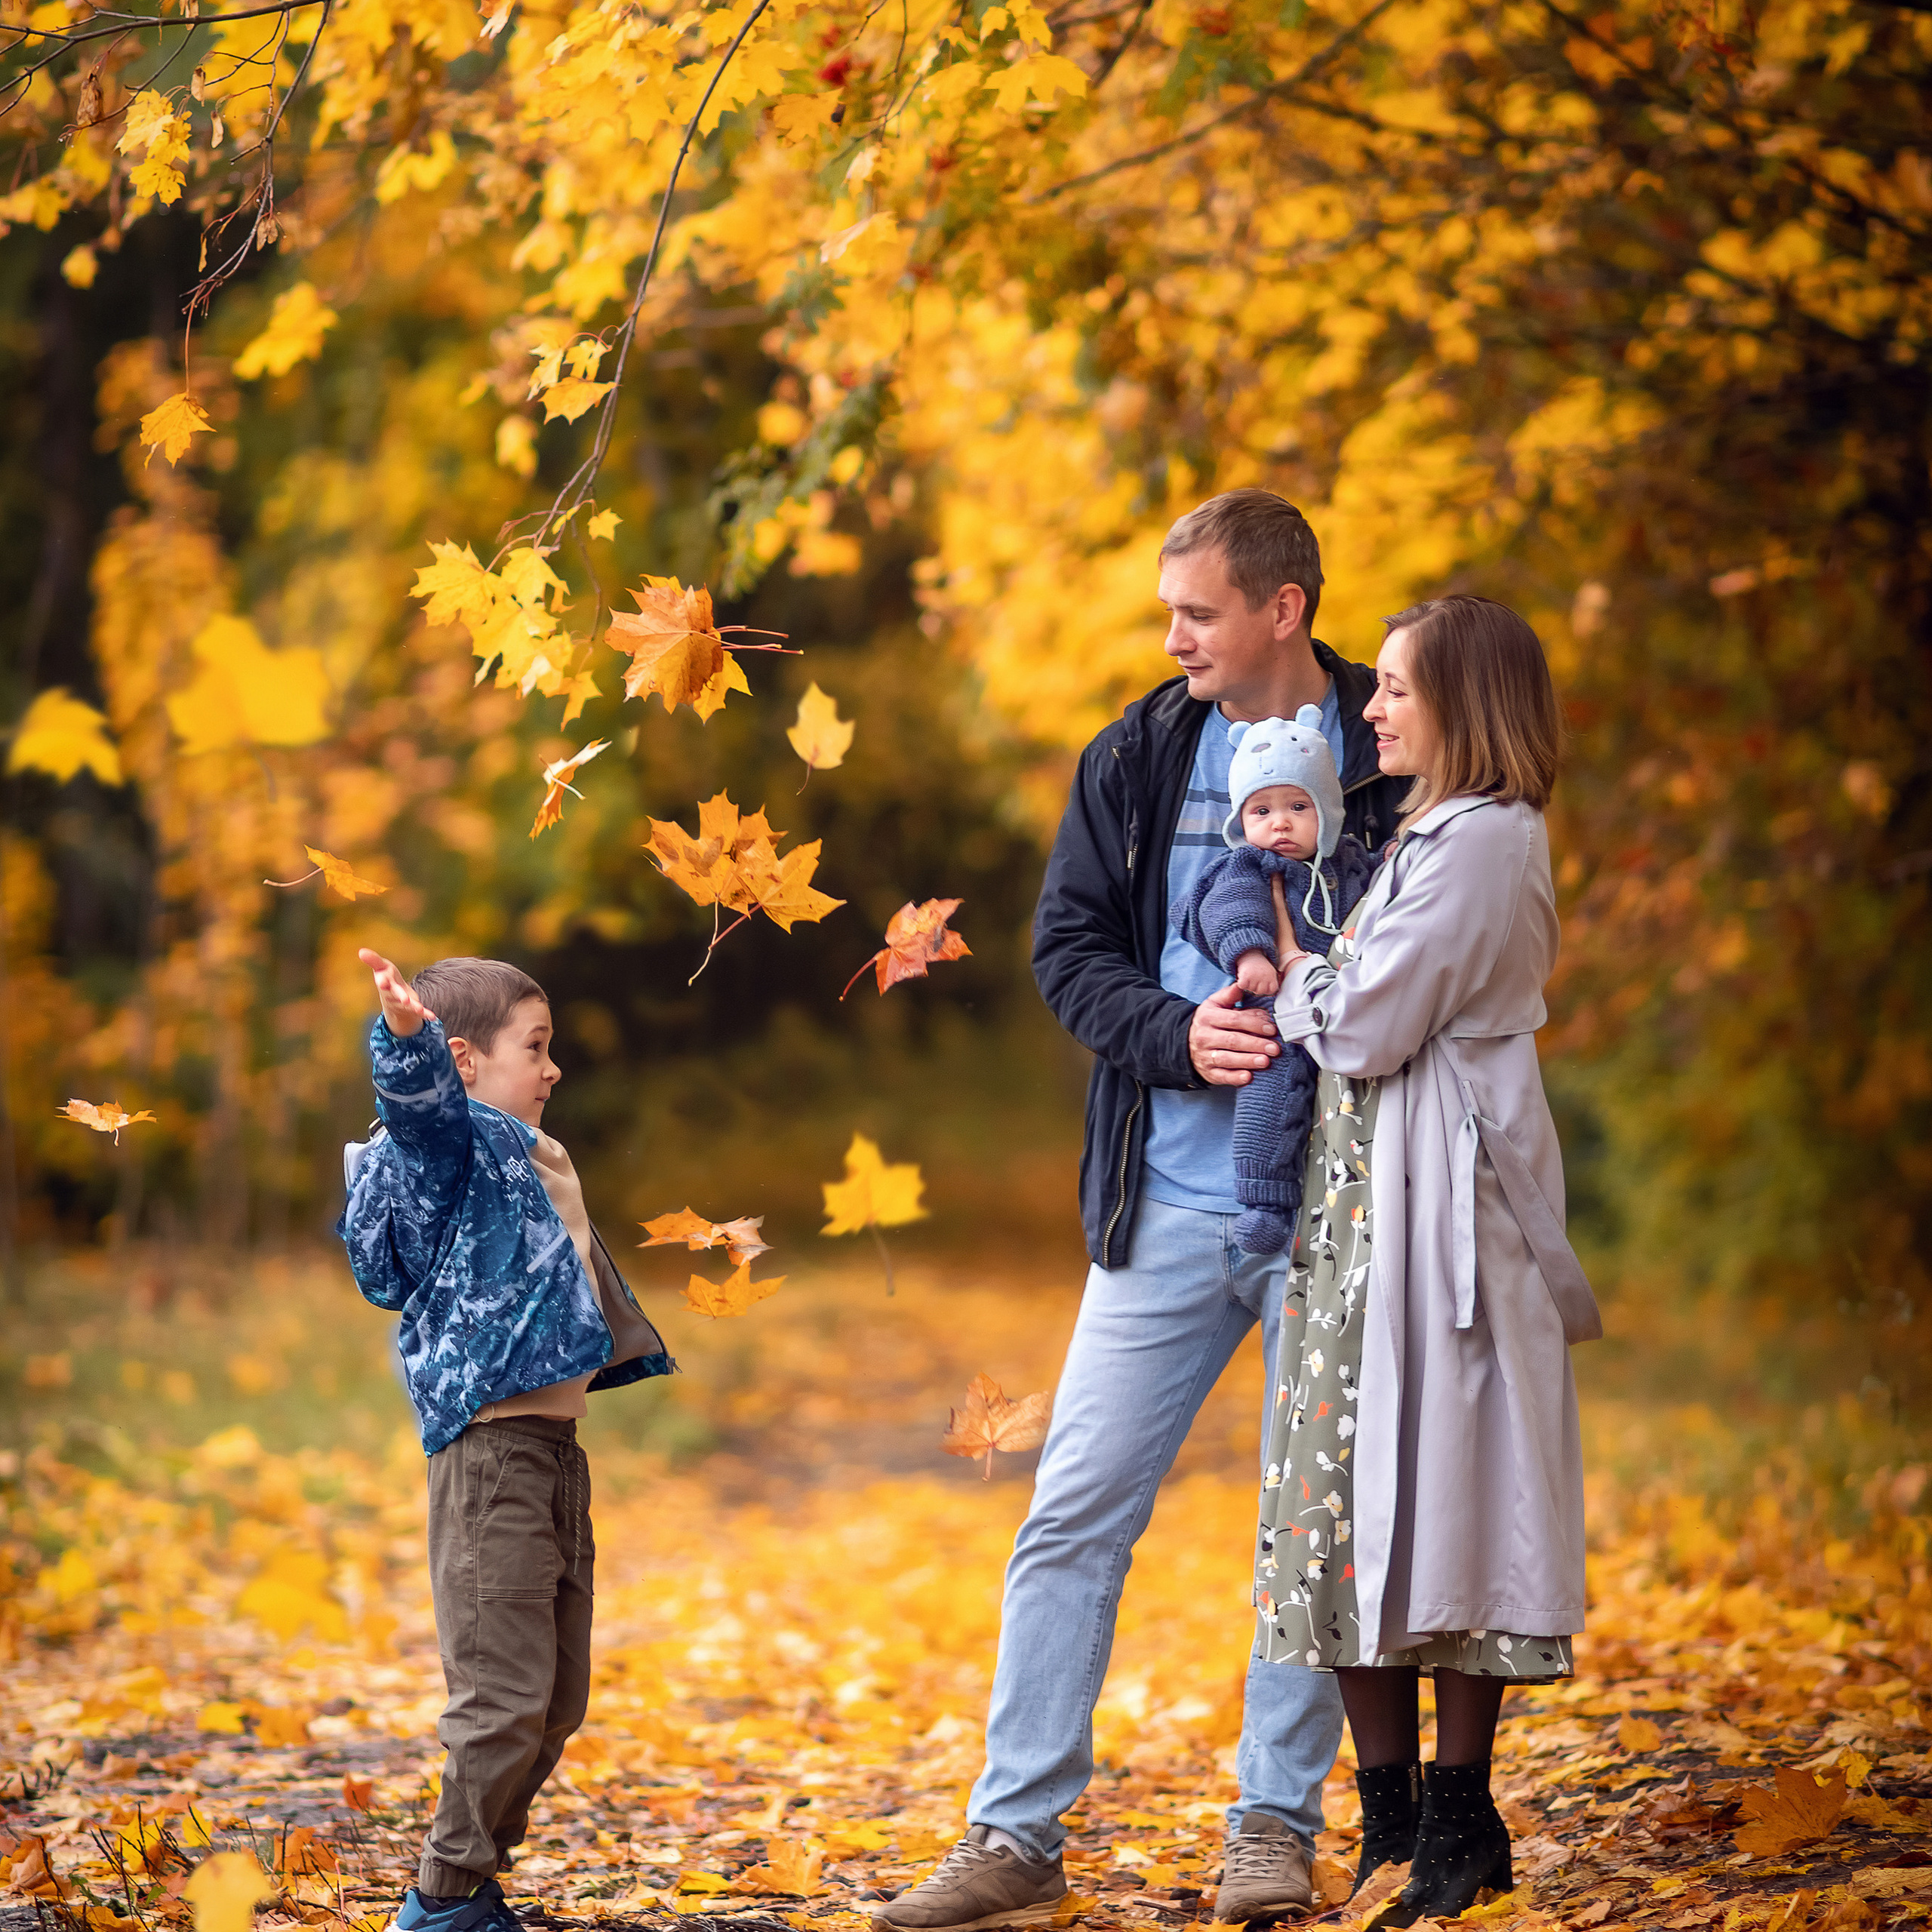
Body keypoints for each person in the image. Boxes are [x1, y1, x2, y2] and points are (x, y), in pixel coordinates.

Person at [872, 489, 1405, 1932]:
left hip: (1337, 1209)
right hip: (1162, 1201)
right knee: (1070, 1516)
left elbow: (1437, 942)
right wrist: (1178, 1035)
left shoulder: (1394, 739)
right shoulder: (1137, 752)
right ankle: (1012, 1839)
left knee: (1310, 1528)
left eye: (1198, 613)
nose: (1173, 638)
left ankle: (1273, 1830)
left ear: (1283, 609)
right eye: (1169, 612)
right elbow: (1067, 952)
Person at [1254, 595, 1601, 1929]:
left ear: (1466, 700)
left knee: (1455, 1486)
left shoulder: (1489, 839)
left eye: (1398, 687)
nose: (1374, 707)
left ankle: (1461, 1820)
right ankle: (1391, 1821)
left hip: (1441, 1196)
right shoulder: (1423, 834)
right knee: (1338, 1497)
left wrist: (1302, 980)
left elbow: (1365, 1021)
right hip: (1361, 1204)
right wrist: (1323, 984)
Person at [338, 951, 674, 1932]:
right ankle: (439, 1901)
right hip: (491, 1460)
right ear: (465, 1062)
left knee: (556, 1698)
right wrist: (405, 1041)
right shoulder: (455, 1145)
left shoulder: (526, 1152)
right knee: (502, 1696)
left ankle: (471, 1883)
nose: (554, 1066)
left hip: (555, 1454)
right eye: (536, 1046)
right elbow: (419, 1113)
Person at [1169, 703, 1380, 1256]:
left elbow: (1385, 891)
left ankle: (1353, 1196)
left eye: (1298, 807)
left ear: (1327, 812)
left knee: (1355, 1108)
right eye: (1261, 811)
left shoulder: (1350, 864)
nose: (1279, 824)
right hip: (1274, 1020)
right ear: (1241, 821)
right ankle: (1265, 1203)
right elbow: (1225, 906)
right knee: (1268, 1104)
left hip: (1345, 1016)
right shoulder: (1248, 867)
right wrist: (1250, 954)